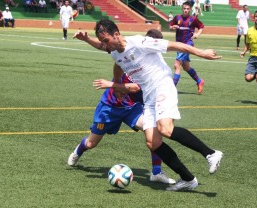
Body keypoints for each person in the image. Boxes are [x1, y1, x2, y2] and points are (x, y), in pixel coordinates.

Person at [73, 19, 223, 191]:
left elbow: (174, 45)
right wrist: (87, 41)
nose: (104, 45)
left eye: (106, 40)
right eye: (102, 41)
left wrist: (201, 52)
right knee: (153, 142)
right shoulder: (114, 50)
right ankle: (188, 179)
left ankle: (211, 153)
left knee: (165, 129)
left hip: (162, 85)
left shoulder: (139, 42)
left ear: (116, 34)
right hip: (149, 95)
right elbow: (113, 59)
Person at [68, 29, 175, 185]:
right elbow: (105, 46)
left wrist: (113, 84)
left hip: (132, 108)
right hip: (110, 107)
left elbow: (136, 88)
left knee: (153, 133)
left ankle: (157, 172)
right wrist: (87, 39)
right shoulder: (130, 52)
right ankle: (78, 151)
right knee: (91, 143)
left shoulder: (153, 67)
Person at [169, 1, 205, 94]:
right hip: (179, 45)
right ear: (182, 8)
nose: (186, 10)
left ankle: (171, 89)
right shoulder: (177, 17)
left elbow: (201, 26)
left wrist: (197, 34)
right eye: (184, 8)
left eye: (187, 9)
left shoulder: (193, 19)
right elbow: (170, 25)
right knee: (186, 66)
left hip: (188, 44)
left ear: (190, 9)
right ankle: (199, 81)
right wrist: (173, 27)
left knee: (177, 65)